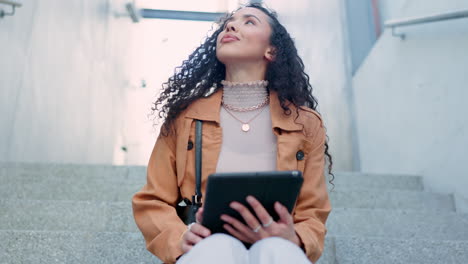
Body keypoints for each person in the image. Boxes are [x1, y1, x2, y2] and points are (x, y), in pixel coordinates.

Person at [132, 3, 333, 264]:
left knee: (278, 251)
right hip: (206, 246)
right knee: (218, 249)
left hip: (276, 246)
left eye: (249, 21)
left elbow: (312, 211)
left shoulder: (305, 124)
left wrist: (295, 238)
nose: (231, 25)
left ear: (271, 50)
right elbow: (152, 199)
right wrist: (178, 238)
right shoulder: (184, 117)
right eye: (229, 21)